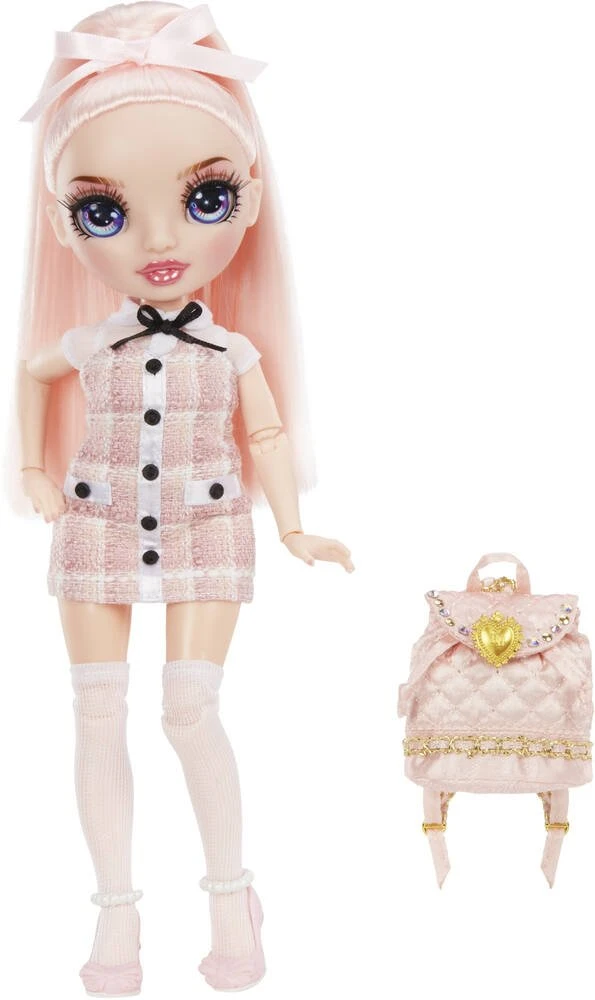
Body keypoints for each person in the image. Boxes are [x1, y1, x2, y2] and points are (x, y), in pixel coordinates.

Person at [12, 3, 353, 994]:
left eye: (204, 197)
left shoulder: (234, 351)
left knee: (189, 706)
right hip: (95, 524)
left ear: (250, 197)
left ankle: (228, 894)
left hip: (209, 525)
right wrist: (30, 469)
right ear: (61, 222)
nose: (159, 239)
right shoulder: (90, 341)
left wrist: (292, 526)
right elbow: (31, 373)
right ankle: (115, 913)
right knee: (95, 711)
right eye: (104, 212)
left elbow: (268, 435)